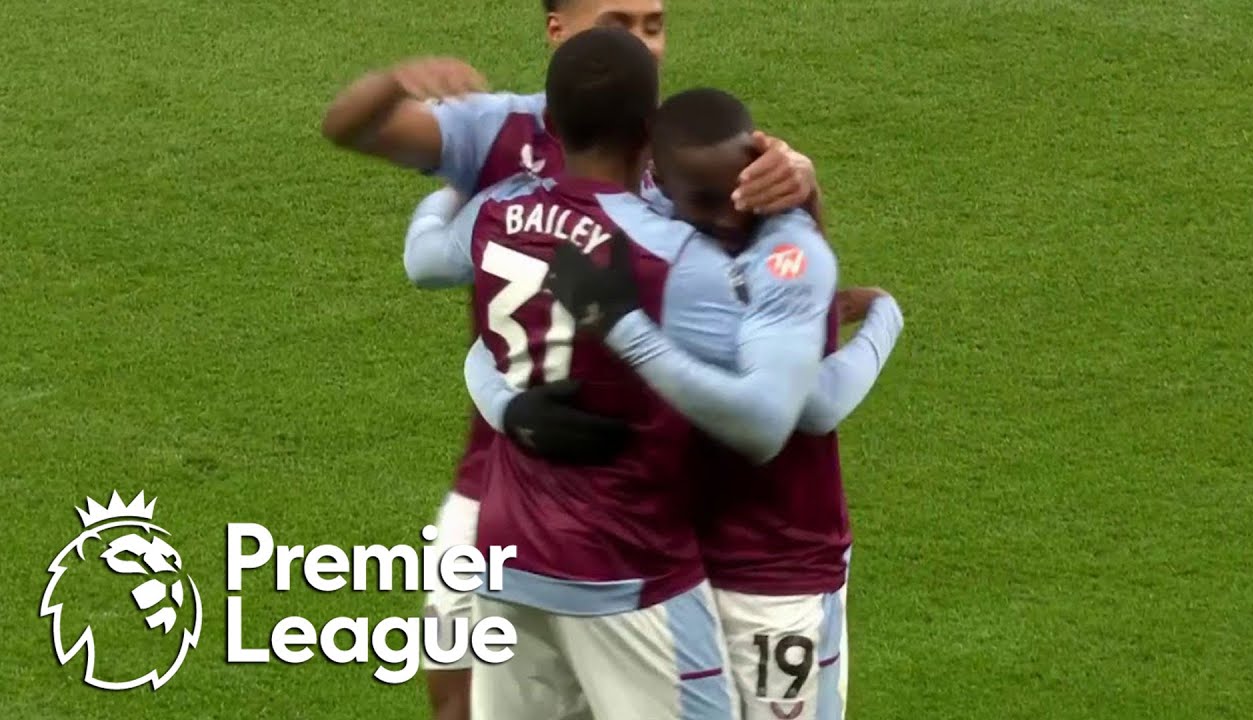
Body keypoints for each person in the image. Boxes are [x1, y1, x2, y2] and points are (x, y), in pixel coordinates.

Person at [321, 3, 823, 717]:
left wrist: (799, 182)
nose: (641, 43)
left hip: (629, 499)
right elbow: (353, 128)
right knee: (455, 694)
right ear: (557, 29)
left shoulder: (694, 152)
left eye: (654, 25)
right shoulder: (503, 130)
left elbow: (429, 258)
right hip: (509, 487)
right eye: (617, 23)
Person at [459, 88, 904, 719]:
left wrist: (886, 315)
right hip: (701, 563)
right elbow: (494, 343)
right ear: (655, 177)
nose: (724, 215)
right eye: (700, 197)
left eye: (734, 192)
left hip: (768, 566)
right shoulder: (651, 240)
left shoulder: (780, 256)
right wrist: (511, 409)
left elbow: (807, 407)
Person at [406, 27, 738, 720]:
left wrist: (505, 405)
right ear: (650, 132)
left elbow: (428, 261)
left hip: (505, 549)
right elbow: (779, 393)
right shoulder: (677, 255)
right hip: (626, 564)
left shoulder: (497, 215)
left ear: (550, 124)